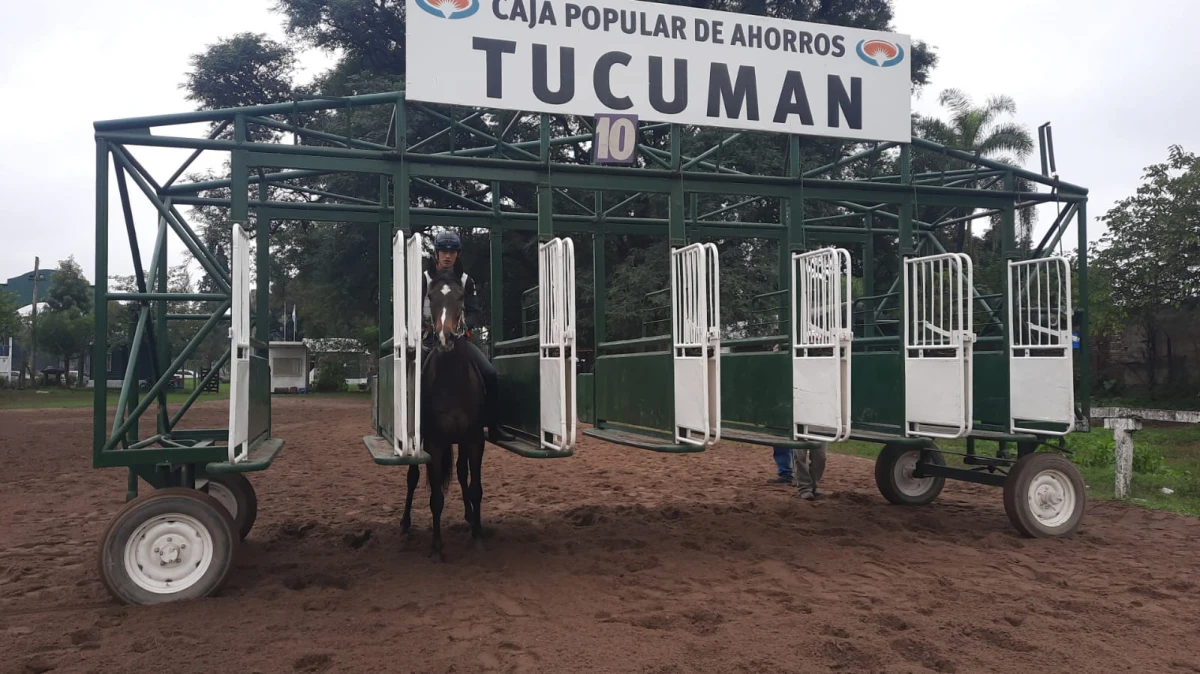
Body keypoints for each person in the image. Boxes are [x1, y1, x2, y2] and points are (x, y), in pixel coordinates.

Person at [421, 231, 515, 443]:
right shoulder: (425, 279)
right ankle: (414, 429)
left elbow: (473, 311)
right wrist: (426, 326)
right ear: (437, 253)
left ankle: (493, 426)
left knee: (490, 373)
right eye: (444, 251)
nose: (447, 255)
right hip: (428, 338)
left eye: (452, 251)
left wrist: (462, 327)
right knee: (413, 376)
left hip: (458, 337)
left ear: (458, 254)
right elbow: (416, 308)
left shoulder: (466, 281)